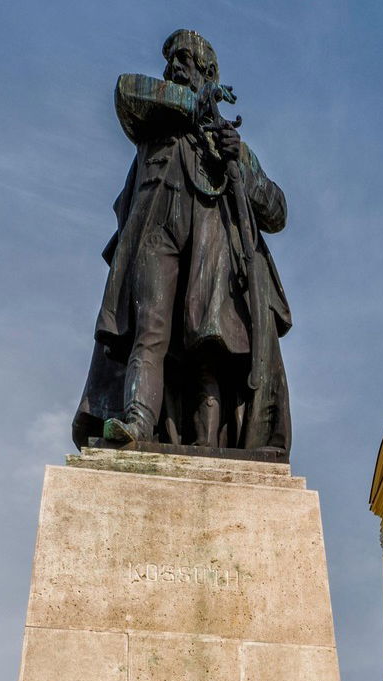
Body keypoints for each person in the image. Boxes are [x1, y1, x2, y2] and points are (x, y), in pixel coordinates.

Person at [72, 29, 292, 454]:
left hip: (212, 250)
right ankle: (137, 420)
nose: (174, 67)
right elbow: (126, 90)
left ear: (208, 72)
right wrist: (196, 105)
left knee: (210, 345)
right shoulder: (156, 118)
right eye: (172, 60)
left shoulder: (229, 142)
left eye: (186, 61)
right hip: (156, 234)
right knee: (148, 330)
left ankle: (208, 442)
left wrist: (239, 163)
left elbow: (277, 211)